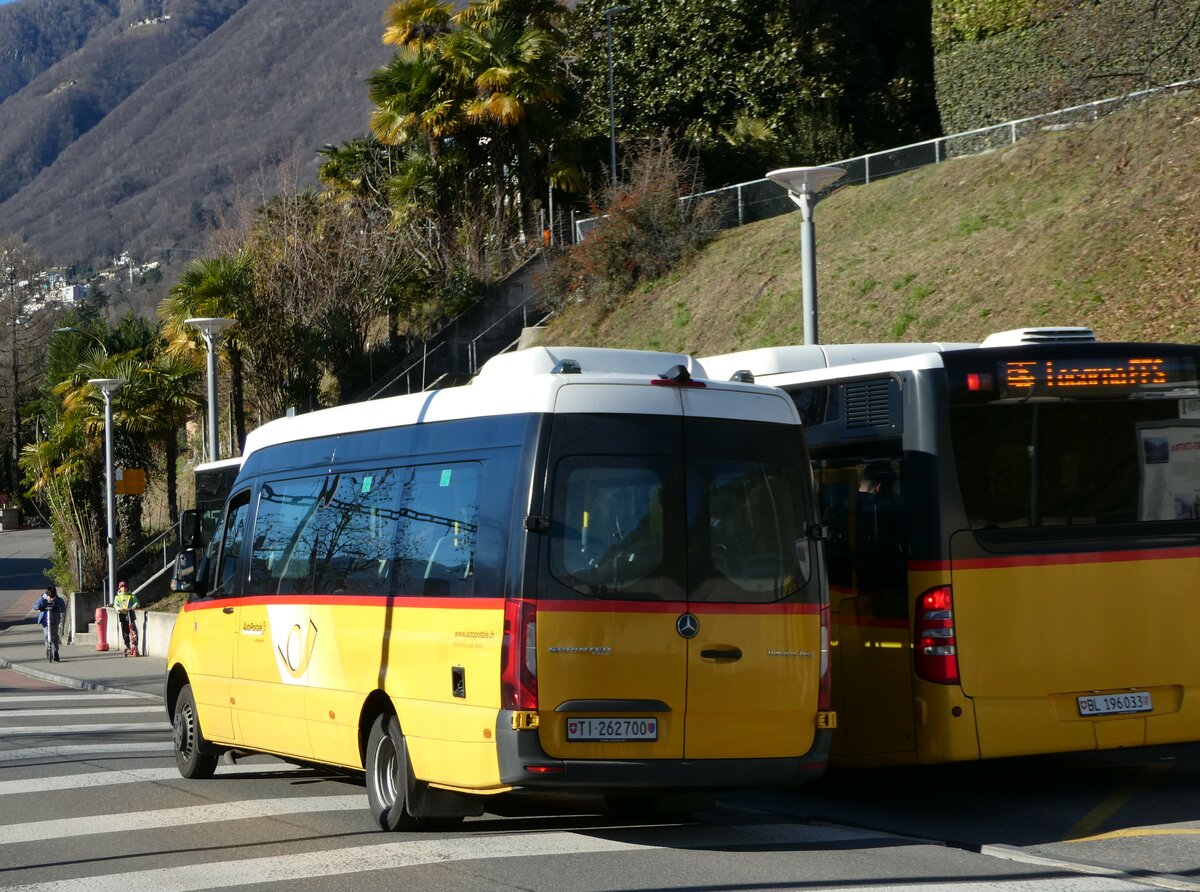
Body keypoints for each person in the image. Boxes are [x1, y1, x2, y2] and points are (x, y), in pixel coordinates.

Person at [34, 585, 66, 662]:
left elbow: (63, 609)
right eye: (50, 597)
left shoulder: (59, 600)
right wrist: (43, 599)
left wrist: (57, 608)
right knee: (46, 636)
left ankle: (56, 652)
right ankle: (48, 652)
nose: (51, 599)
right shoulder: (43, 598)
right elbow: (36, 606)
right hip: (45, 621)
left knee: (55, 636)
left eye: (53, 598)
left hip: (54, 620)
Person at [115, 580, 140, 656]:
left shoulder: (132, 596)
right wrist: (119, 609)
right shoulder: (117, 597)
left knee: (133, 630)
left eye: (125, 587)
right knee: (125, 631)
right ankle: (128, 646)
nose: (124, 588)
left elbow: (137, 603)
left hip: (130, 613)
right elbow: (116, 605)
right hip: (123, 614)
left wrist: (134, 606)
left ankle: (135, 645)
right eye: (122, 587)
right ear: (119, 588)